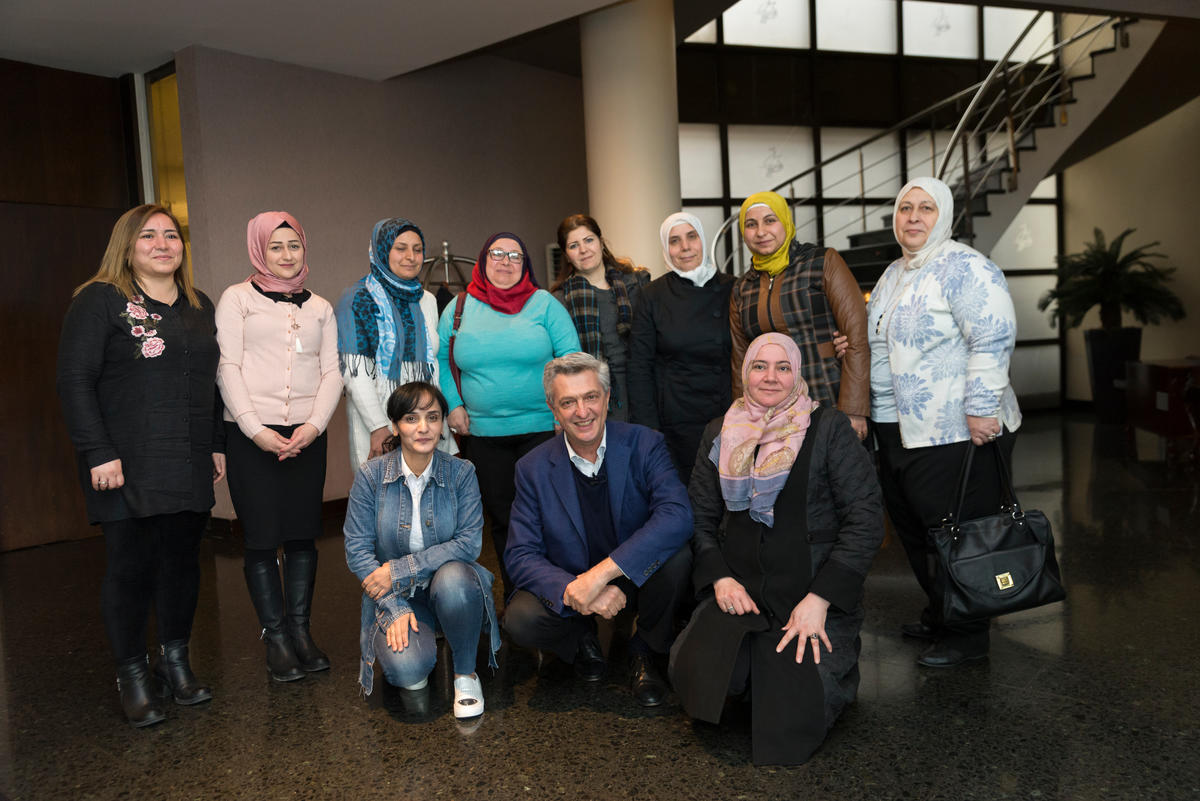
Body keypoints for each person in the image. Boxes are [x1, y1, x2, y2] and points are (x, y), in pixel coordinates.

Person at [669, 333, 883, 765]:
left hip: (808, 593)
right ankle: (752, 672)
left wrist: (820, 600)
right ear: (744, 373)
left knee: (791, 718)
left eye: (782, 367)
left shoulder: (829, 428)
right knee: (698, 675)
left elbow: (866, 518)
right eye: (759, 366)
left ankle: (832, 674)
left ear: (797, 373)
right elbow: (701, 516)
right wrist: (720, 577)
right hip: (742, 590)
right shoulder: (720, 430)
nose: (770, 377)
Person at [56, 204, 225, 727]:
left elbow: (211, 382)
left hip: (190, 458)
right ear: (126, 246)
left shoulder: (199, 304)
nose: (161, 244)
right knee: (130, 571)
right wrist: (97, 451)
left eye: (170, 235)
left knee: (181, 567)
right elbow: (74, 381)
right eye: (148, 235)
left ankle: (174, 663)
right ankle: (132, 675)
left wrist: (216, 443)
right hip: (124, 461)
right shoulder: (100, 301)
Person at [867, 177, 1021, 668]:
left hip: (955, 427)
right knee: (918, 532)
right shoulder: (894, 272)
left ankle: (968, 634)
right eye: (905, 207)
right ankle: (943, 612)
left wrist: (980, 407)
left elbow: (993, 338)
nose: (913, 217)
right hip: (895, 427)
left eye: (926, 208)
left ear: (945, 215)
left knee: (960, 531)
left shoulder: (967, 268)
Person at [504, 353, 693, 708]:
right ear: (553, 410)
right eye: (568, 402)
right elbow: (520, 555)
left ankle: (645, 650)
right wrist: (581, 589)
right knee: (520, 619)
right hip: (574, 581)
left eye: (590, 397)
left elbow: (678, 514)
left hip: (635, 576)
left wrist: (602, 574)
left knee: (677, 556)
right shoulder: (532, 468)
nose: (582, 411)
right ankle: (580, 637)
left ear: (607, 397)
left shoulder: (645, 443)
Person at [216, 211, 343, 682]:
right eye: (276, 247)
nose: (287, 255)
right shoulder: (237, 299)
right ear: (258, 250)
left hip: (307, 434)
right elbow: (227, 367)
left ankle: (300, 631)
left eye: (294, 246)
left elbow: (332, 371)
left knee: (302, 534)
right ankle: (275, 637)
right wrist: (255, 430)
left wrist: (312, 426)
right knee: (262, 537)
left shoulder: (321, 307)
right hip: (252, 435)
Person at [343, 382, 500, 719]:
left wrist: (398, 570)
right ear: (396, 425)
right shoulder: (371, 476)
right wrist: (392, 607)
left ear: (443, 423)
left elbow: (469, 543)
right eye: (412, 418)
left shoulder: (462, 473)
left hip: (449, 584)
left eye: (432, 417)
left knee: (455, 578)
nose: (424, 427)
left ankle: (465, 674)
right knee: (408, 674)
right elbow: (357, 548)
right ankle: (425, 630)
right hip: (397, 594)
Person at [436, 232, 580, 597]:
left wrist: (564, 412)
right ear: (484, 260)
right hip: (484, 436)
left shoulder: (544, 304)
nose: (505, 261)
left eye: (514, 256)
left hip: (543, 432)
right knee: (503, 521)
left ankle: (559, 593)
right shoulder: (459, 307)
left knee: (552, 519)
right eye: (497, 254)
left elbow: (572, 360)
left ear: (526, 264)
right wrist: (453, 405)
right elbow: (440, 358)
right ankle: (517, 596)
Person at [729, 190, 870, 441]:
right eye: (751, 225)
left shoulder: (822, 262)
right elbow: (742, 360)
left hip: (828, 393)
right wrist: (744, 418)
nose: (761, 232)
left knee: (840, 476)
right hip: (771, 409)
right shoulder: (743, 287)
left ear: (785, 222)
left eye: (770, 220)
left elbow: (856, 337)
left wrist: (854, 409)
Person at [335, 218, 452, 470]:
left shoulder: (427, 300)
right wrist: (379, 428)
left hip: (427, 424)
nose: (411, 256)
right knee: (385, 503)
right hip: (379, 423)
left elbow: (434, 368)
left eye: (417, 249)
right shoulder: (357, 299)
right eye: (400, 248)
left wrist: (442, 421)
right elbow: (355, 374)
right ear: (382, 250)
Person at [628, 212, 735, 483]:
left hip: (728, 412)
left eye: (692, 237)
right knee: (687, 497)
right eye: (675, 241)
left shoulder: (733, 288)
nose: (685, 247)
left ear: (702, 240)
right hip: (677, 419)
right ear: (666, 249)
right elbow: (639, 367)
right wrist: (647, 430)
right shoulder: (651, 295)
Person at [551, 214, 650, 422]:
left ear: (601, 242)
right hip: (594, 394)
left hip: (642, 385)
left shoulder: (636, 284)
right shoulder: (561, 299)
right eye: (574, 245)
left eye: (589, 240)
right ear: (567, 255)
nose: (583, 250)